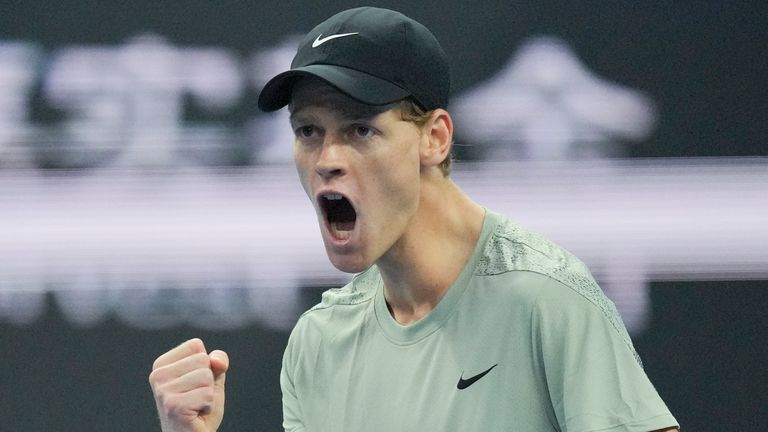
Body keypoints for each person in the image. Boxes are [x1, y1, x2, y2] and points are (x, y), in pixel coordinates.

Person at [148, 7, 679, 432]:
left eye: (360, 129)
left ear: (435, 137)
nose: (327, 157)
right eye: (308, 130)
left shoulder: (547, 298)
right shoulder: (319, 342)